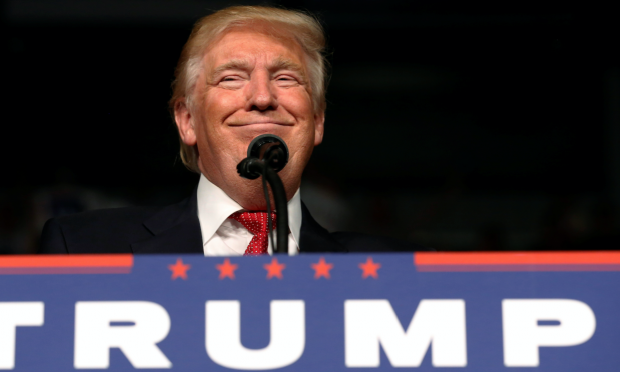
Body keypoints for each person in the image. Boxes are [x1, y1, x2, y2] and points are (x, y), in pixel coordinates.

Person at [40, 5, 423, 255]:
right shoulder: (84, 247)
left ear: (318, 121)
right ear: (187, 121)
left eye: (286, 78)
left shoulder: (399, 271)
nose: (262, 97)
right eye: (231, 78)